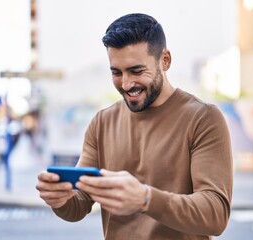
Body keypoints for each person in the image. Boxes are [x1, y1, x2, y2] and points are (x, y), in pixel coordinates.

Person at [36, 13, 233, 239]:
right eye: (116, 72)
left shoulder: (204, 118)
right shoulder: (102, 122)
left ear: (165, 60)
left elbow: (215, 215)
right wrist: (61, 199)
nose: (127, 84)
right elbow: (79, 205)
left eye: (136, 71)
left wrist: (145, 199)